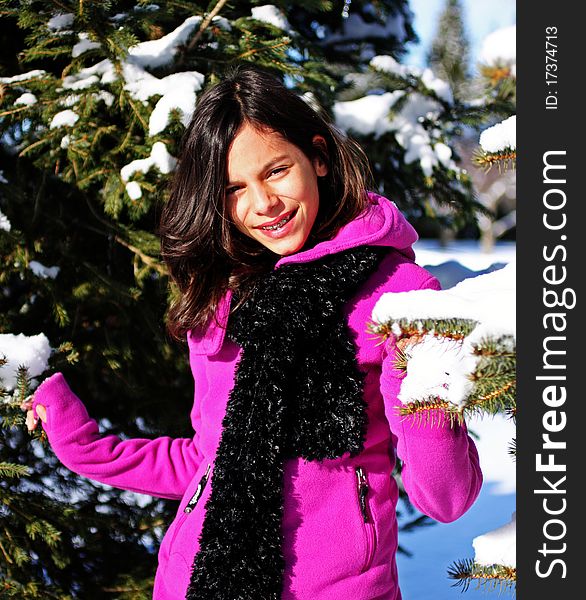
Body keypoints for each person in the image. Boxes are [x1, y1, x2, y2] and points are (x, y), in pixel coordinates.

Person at [26, 64, 482, 600]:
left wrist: (421, 370)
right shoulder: (226, 300)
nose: (262, 204)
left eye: (276, 170)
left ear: (318, 156)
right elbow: (207, 463)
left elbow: (445, 497)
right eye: (234, 188)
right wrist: (83, 447)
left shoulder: (397, 296)